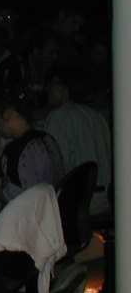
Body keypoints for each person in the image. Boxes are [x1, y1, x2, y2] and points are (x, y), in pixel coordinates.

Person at [44, 65, 111, 215]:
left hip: (79, 204)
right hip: (105, 200)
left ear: (65, 87)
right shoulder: (96, 116)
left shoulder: (58, 118)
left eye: (52, 84)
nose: (47, 88)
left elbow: (57, 167)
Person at [0, 92, 64, 203]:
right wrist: (2, 182)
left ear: (8, 114)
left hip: (34, 211)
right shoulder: (48, 139)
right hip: (53, 207)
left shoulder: (14, 152)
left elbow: (14, 200)